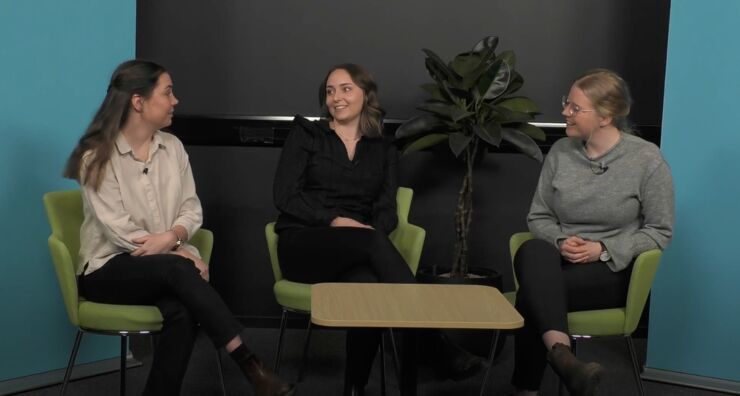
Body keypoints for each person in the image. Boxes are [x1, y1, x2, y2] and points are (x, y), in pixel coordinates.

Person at [64, 60, 294, 396]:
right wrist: (181, 255)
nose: (176, 100)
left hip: (161, 268)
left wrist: (174, 239)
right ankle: (248, 363)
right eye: (168, 92)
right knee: (176, 268)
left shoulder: (173, 149)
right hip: (108, 271)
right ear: (138, 101)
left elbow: (191, 208)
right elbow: (121, 234)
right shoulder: (96, 156)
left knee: (183, 312)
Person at [272, 63, 481, 396]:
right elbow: (284, 195)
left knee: (367, 288)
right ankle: (437, 346)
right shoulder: (307, 135)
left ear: (366, 95)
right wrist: (335, 220)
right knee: (370, 246)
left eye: (345, 89)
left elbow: (387, 211)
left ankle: (356, 388)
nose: (335, 98)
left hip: (359, 247)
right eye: (329, 91)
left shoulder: (382, 148)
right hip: (305, 244)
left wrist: (367, 230)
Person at [511, 69, 674, 396]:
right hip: (557, 264)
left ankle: (526, 389)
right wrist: (560, 240)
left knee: (531, 294)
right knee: (532, 251)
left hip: (612, 273)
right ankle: (564, 359)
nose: (564, 113)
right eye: (566, 104)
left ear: (605, 116)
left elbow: (660, 231)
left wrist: (602, 248)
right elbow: (539, 215)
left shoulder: (646, 159)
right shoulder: (560, 153)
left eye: (575, 108)